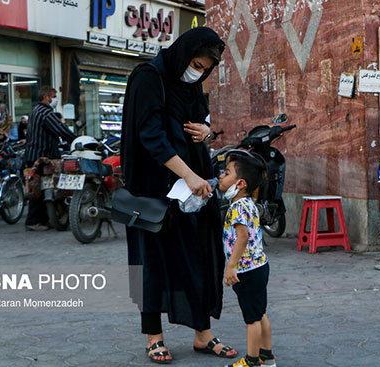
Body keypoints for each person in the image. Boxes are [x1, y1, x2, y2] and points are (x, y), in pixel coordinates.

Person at [120, 27, 237, 364]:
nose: (197, 72)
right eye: (195, 64)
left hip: (192, 192)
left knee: (199, 255)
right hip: (154, 190)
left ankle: (203, 333)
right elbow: (151, 137)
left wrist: (206, 132)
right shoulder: (149, 77)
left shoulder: (192, 86)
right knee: (152, 263)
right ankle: (153, 337)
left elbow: (198, 125)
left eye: (204, 69)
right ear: (182, 53)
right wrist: (191, 175)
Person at [219, 155, 276, 367]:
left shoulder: (237, 207)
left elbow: (242, 237)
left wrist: (231, 266)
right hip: (259, 267)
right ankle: (267, 357)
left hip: (246, 270)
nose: (221, 177)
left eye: (226, 174)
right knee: (260, 313)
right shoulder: (249, 203)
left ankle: (252, 361)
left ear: (240, 183)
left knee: (251, 319)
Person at [25, 86, 75, 231]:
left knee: (36, 188)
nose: (55, 99)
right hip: (43, 156)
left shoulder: (35, 111)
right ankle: (34, 221)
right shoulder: (47, 113)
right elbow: (61, 130)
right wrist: (77, 140)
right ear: (46, 97)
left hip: (32, 154)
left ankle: (42, 219)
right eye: (54, 96)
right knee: (40, 189)